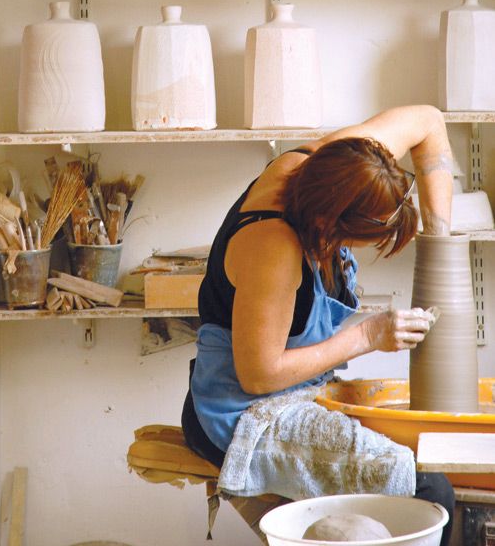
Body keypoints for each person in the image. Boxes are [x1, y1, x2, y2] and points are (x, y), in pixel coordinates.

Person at [181, 104, 455, 544]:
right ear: (328, 225)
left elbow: (428, 121)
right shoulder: (272, 247)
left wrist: (440, 241)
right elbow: (258, 375)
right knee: (428, 490)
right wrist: (367, 336)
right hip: (239, 411)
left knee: (422, 457)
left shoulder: (340, 164)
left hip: (298, 392)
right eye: (355, 242)